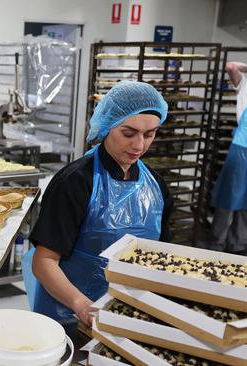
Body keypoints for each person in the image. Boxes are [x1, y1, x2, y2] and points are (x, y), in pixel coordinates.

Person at [22, 81, 173, 333]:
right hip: (68, 314)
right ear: (107, 126)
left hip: (129, 315)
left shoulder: (156, 186)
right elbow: (44, 261)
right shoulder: (76, 182)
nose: (139, 146)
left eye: (149, 135)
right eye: (128, 133)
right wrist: (80, 305)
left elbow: (162, 256)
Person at [210, 61, 247, 253]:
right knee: (229, 196)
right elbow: (231, 66)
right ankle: (217, 242)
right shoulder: (244, 83)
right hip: (242, 147)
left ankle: (238, 244)